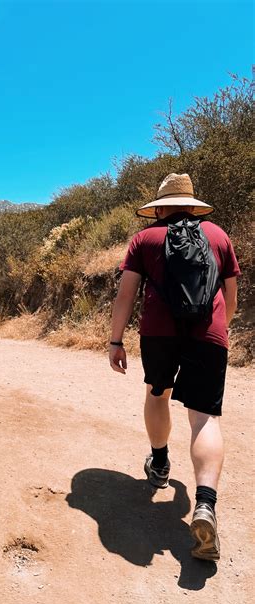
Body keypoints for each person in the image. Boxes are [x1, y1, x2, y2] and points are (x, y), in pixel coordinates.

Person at [108, 173, 240, 561]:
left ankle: (160, 462)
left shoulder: (144, 239)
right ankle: (204, 504)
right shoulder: (218, 236)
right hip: (209, 333)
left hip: (159, 335)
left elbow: (125, 294)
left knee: (158, 394)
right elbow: (230, 294)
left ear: (160, 207)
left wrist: (116, 340)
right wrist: (219, 329)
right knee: (204, 419)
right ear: (194, 205)